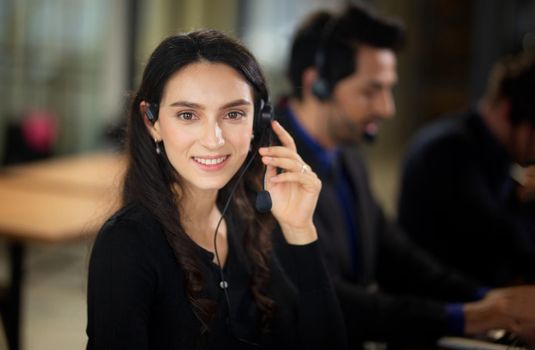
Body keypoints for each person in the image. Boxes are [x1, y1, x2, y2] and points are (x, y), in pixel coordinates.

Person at [278, 3, 535, 348]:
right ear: (317, 84)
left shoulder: (347, 153)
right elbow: (329, 296)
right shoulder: (270, 167)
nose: (387, 108)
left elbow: (395, 255)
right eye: (372, 90)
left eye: (389, 89)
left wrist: (490, 300)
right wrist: (469, 316)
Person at [86, 30, 346, 349]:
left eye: (234, 114)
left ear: (258, 123)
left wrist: (300, 229)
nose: (214, 139)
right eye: (187, 115)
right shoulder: (126, 245)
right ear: (152, 121)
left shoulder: (250, 215)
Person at [398, 53, 535, 286]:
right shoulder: (448, 151)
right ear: (506, 111)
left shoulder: (482, 147)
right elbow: (505, 244)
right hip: (440, 306)